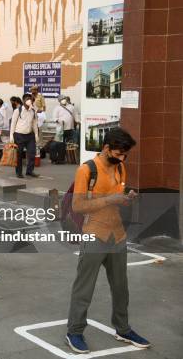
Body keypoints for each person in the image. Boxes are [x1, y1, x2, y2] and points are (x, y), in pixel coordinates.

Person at [65, 128, 150, 354]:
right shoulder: (86, 170)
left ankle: (122, 329)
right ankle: (74, 331)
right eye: (120, 153)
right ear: (106, 148)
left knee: (121, 288)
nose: (123, 158)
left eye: (126, 155)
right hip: (94, 234)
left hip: (117, 235)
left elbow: (116, 197)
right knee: (84, 288)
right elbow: (78, 206)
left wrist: (126, 199)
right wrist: (110, 199)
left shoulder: (121, 167)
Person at [9, 93, 39, 178]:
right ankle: (19, 172)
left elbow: (34, 123)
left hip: (30, 135)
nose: (29, 101)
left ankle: (29, 171)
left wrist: (36, 134)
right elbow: (13, 123)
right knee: (19, 155)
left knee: (32, 153)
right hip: (19, 135)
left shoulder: (33, 111)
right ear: (23, 101)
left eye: (30, 99)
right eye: (27, 99)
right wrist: (11, 135)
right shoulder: (18, 110)